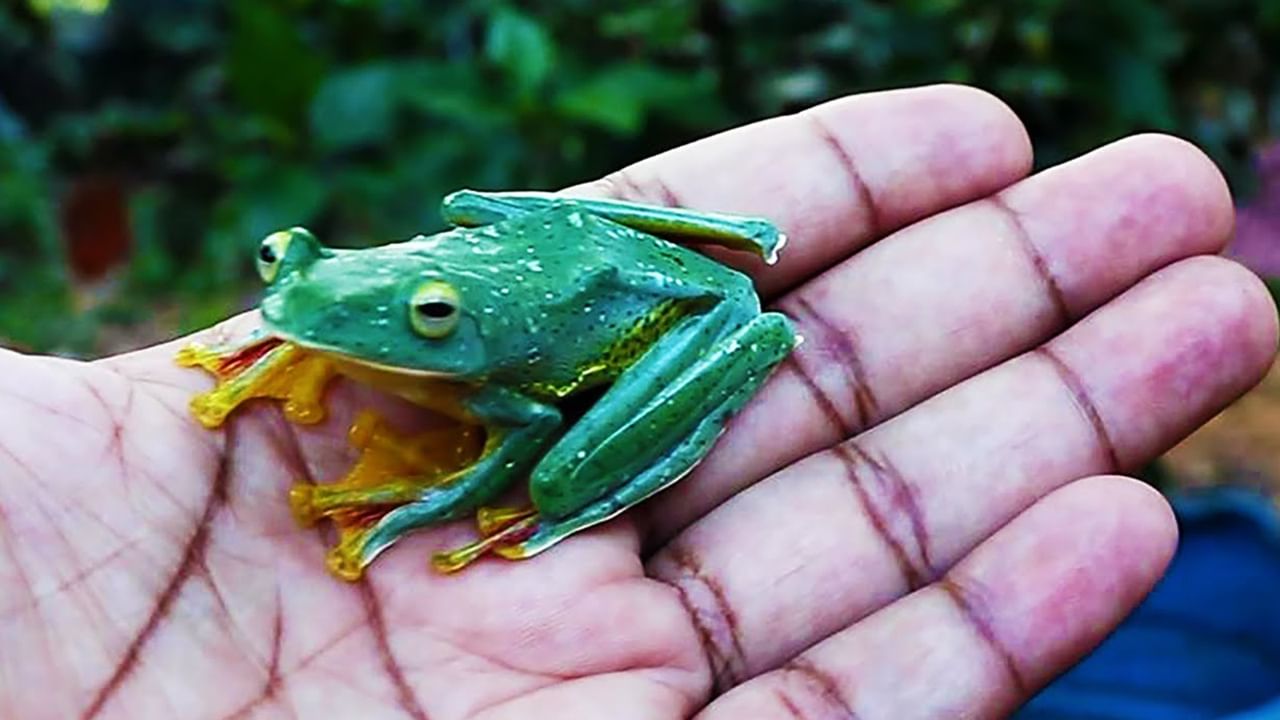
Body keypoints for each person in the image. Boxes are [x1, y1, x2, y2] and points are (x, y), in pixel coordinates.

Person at [1, 84, 1275, 719]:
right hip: (557, 254)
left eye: (426, 324)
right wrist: (315, 319)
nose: (293, 299)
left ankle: (540, 470)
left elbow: (524, 424)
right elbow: (354, 297)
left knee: (548, 476)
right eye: (283, 270)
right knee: (389, 285)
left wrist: (440, 499)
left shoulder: (488, 363)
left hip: (652, 324)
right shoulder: (344, 293)